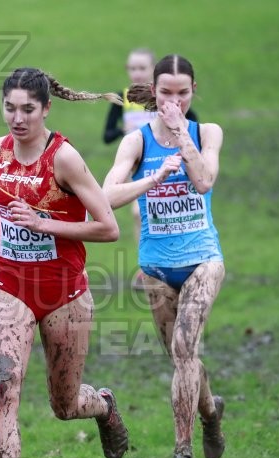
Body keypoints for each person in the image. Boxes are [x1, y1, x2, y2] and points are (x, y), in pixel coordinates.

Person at [0, 67, 127, 458]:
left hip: (65, 294)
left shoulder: (64, 159)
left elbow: (108, 227)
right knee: (3, 388)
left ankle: (104, 406)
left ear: (46, 108)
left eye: (27, 109)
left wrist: (44, 224)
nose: (17, 118)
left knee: (64, 403)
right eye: (9, 108)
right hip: (10, 289)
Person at [102, 54, 226, 458]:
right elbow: (107, 196)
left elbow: (205, 180)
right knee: (184, 359)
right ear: (153, 92)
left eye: (183, 93)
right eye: (167, 93)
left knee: (185, 350)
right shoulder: (136, 143)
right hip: (156, 268)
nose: (175, 101)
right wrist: (152, 180)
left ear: (194, 92)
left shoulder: (206, 132)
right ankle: (210, 412)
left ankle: (182, 451)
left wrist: (181, 137)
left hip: (202, 261)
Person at [103, 48, 198, 290]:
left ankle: (181, 259)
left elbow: (194, 123)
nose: (137, 73)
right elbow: (106, 135)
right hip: (141, 167)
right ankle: (144, 268)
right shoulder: (122, 99)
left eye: (142, 68)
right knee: (138, 214)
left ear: (152, 71)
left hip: (173, 167)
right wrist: (127, 135)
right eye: (132, 68)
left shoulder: (171, 99)